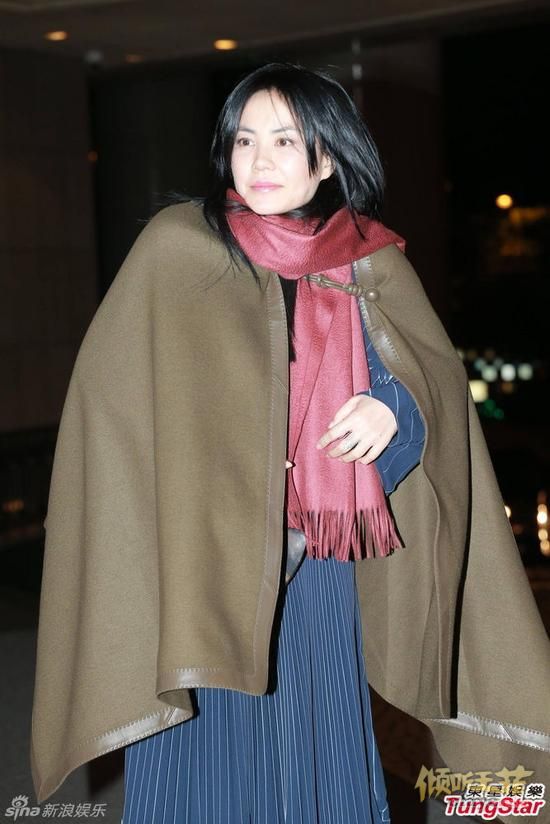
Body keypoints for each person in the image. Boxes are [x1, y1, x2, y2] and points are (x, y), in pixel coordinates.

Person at [30, 62, 550, 824]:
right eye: (244, 140)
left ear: (327, 157)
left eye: (284, 140)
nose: (260, 160)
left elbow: (428, 385)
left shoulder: (367, 260)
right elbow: (110, 404)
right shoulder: (176, 250)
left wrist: (391, 412)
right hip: (198, 562)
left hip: (316, 572)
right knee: (200, 768)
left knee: (317, 755)